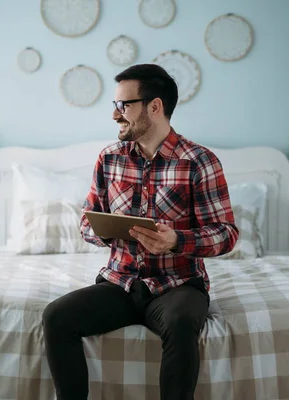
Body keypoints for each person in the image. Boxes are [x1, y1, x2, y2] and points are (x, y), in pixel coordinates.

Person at [42, 63, 239, 400]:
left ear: (155, 106)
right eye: (115, 105)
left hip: (177, 286)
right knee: (56, 316)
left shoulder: (199, 161)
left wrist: (177, 241)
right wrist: (104, 231)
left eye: (124, 105)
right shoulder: (109, 158)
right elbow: (86, 223)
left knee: (179, 323)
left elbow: (226, 233)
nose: (115, 115)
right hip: (120, 283)